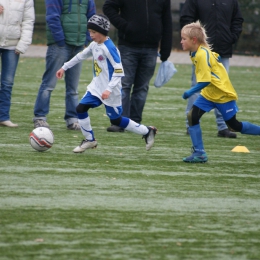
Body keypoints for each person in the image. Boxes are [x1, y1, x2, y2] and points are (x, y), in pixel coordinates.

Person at [56, 14, 157, 153]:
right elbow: (81, 56)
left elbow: (119, 71)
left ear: (103, 32)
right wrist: (64, 67)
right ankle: (90, 140)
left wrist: (109, 89)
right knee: (80, 109)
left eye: (94, 32)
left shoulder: (110, 48)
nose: (90, 35)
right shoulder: (94, 45)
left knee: (116, 121)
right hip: (96, 88)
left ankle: (147, 131)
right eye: (90, 32)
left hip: (111, 91)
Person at [181, 22, 260, 163]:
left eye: (183, 38)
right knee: (192, 116)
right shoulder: (196, 52)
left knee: (233, 126)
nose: (181, 41)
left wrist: (189, 92)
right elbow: (212, 60)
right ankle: (199, 153)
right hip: (209, 94)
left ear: (194, 40)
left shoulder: (201, 54)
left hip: (222, 95)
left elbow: (205, 81)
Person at [103, 0, 172, 132]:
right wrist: (124, 26)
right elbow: (108, 7)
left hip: (151, 48)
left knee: (142, 88)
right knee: (124, 85)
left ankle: (135, 123)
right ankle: (120, 121)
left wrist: (165, 50)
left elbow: (166, 20)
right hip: (128, 46)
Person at [180, 0, 244, 138]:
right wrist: (192, 43)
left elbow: (237, 19)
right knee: (197, 86)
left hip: (222, 50)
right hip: (201, 51)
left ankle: (224, 127)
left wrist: (231, 37)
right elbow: (186, 19)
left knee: (222, 88)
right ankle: (191, 124)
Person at [33, 0, 96, 130]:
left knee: (73, 88)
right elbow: (52, 17)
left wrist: (86, 39)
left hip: (78, 46)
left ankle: (72, 119)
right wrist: (60, 40)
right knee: (49, 84)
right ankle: (40, 117)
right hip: (59, 45)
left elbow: (92, 17)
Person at [0, 0, 34, 127]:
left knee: (7, 83)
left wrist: (23, 44)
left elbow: (28, 21)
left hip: (12, 46)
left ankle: (3, 117)